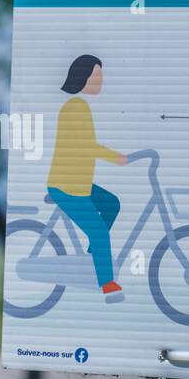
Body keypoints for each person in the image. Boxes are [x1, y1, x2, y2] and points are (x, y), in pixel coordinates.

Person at [45, 55, 128, 302]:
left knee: (111, 204)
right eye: (97, 75)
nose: (100, 80)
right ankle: (107, 284)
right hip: (66, 186)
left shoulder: (81, 106)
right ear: (84, 77)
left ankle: (93, 258)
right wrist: (118, 158)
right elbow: (86, 145)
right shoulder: (75, 106)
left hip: (78, 183)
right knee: (100, 232)